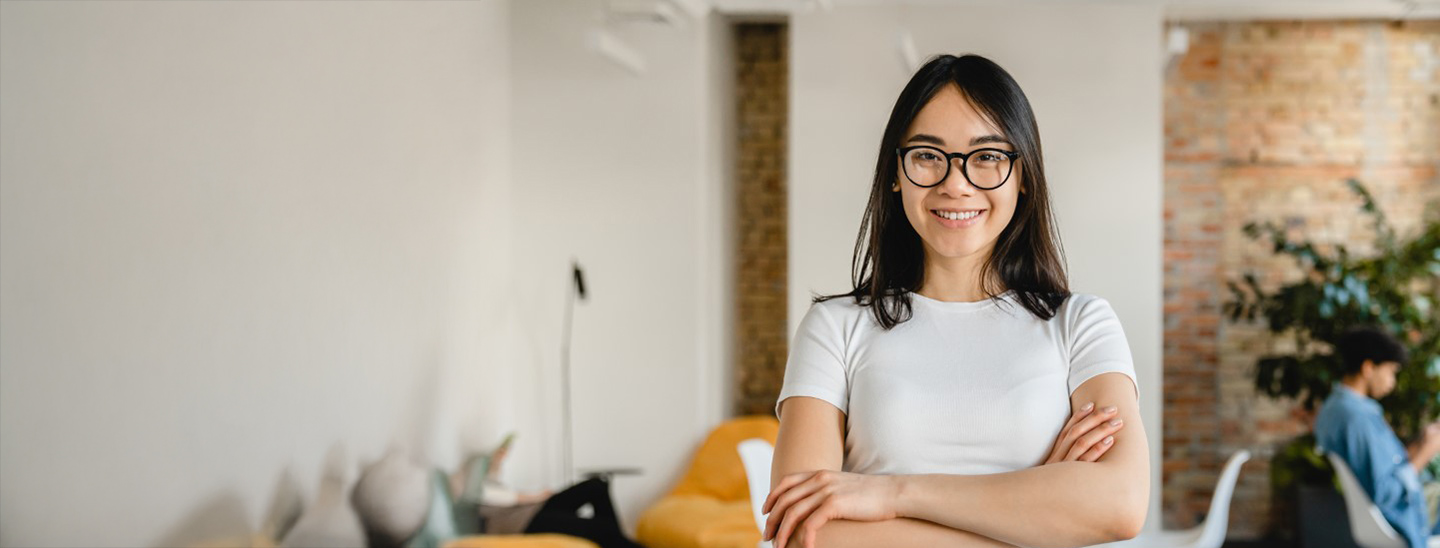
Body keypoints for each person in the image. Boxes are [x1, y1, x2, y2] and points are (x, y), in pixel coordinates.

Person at [761, 53, 1149, 548]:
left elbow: (1120, 505)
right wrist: (1035, 521)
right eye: (927, 154)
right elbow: (802, 532)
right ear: (895, 172)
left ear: (1023, 175)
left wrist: (892, 494)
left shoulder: (1081, 324)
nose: (956, 184)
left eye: (987, 156)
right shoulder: (833, 326)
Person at [1315, 326, 1440, 548]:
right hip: (1402, 516)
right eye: (1391, 371)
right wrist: (1425, 454)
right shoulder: (1357, 418)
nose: (1392, 381)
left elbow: (1383, 466)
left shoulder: (1337, 407)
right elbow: (1384, 492)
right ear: (1368, 367)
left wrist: (1420, 444)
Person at [455, 434, 645, 548]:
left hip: (533, 509)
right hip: (522, 525)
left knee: (596, 485)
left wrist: (497, 462)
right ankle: (619, 541)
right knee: (600, 528)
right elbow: (485, 496)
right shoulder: (465, 488)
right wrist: (535, 495)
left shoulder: (483, 478)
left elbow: (493, 486)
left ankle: (616, 540)